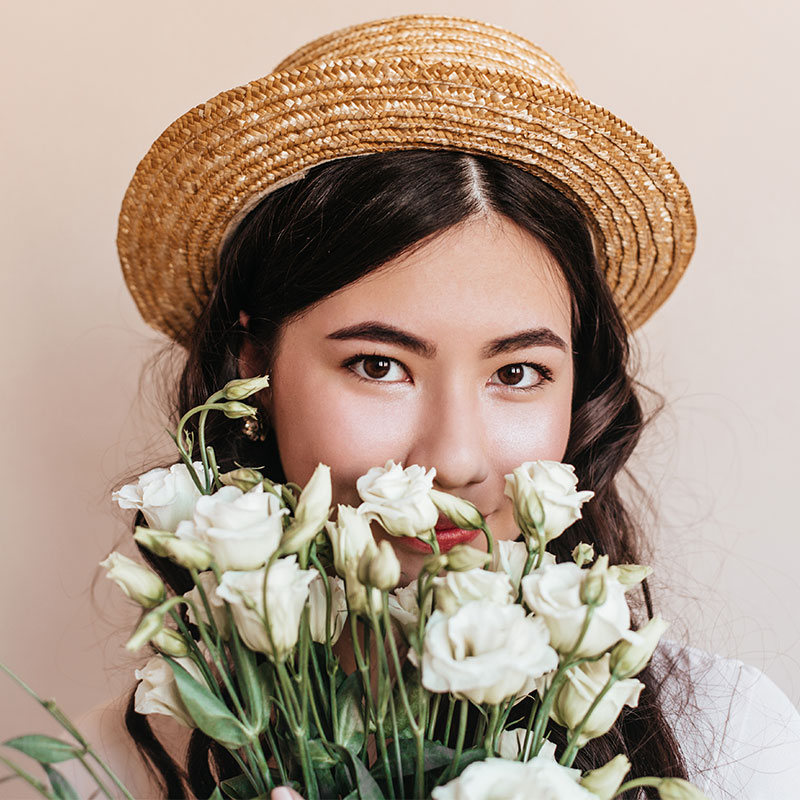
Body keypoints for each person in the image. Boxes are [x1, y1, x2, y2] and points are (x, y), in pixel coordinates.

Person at [81, 14, 799, 800]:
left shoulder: (729, 741)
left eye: (519, 373)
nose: (454, 460)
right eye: (379, 365)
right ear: (253, 369)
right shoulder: (110, 768)